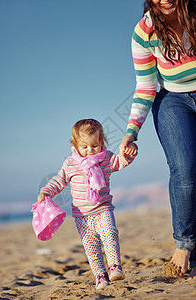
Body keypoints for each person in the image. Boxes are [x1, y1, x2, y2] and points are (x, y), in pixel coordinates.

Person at [119, 0, 196, 278]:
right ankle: (185, 245)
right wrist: (131, 132)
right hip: (172, 100)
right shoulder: (144, 33)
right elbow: (145, 85)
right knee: (185, 169)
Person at [38, 119, 138, 289]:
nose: (90, 151)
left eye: (95, 146)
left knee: (110, 234)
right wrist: (46, 191)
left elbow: (121, 161)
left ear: (102, 142)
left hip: (103, 209)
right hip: (81, 216)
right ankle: (100, 276)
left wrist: (129, 152)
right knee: (91, 247)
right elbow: (59, 180)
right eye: (84, 147)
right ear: (75, 144)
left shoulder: (106, 158)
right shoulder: (70, 163)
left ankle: (114, 266)